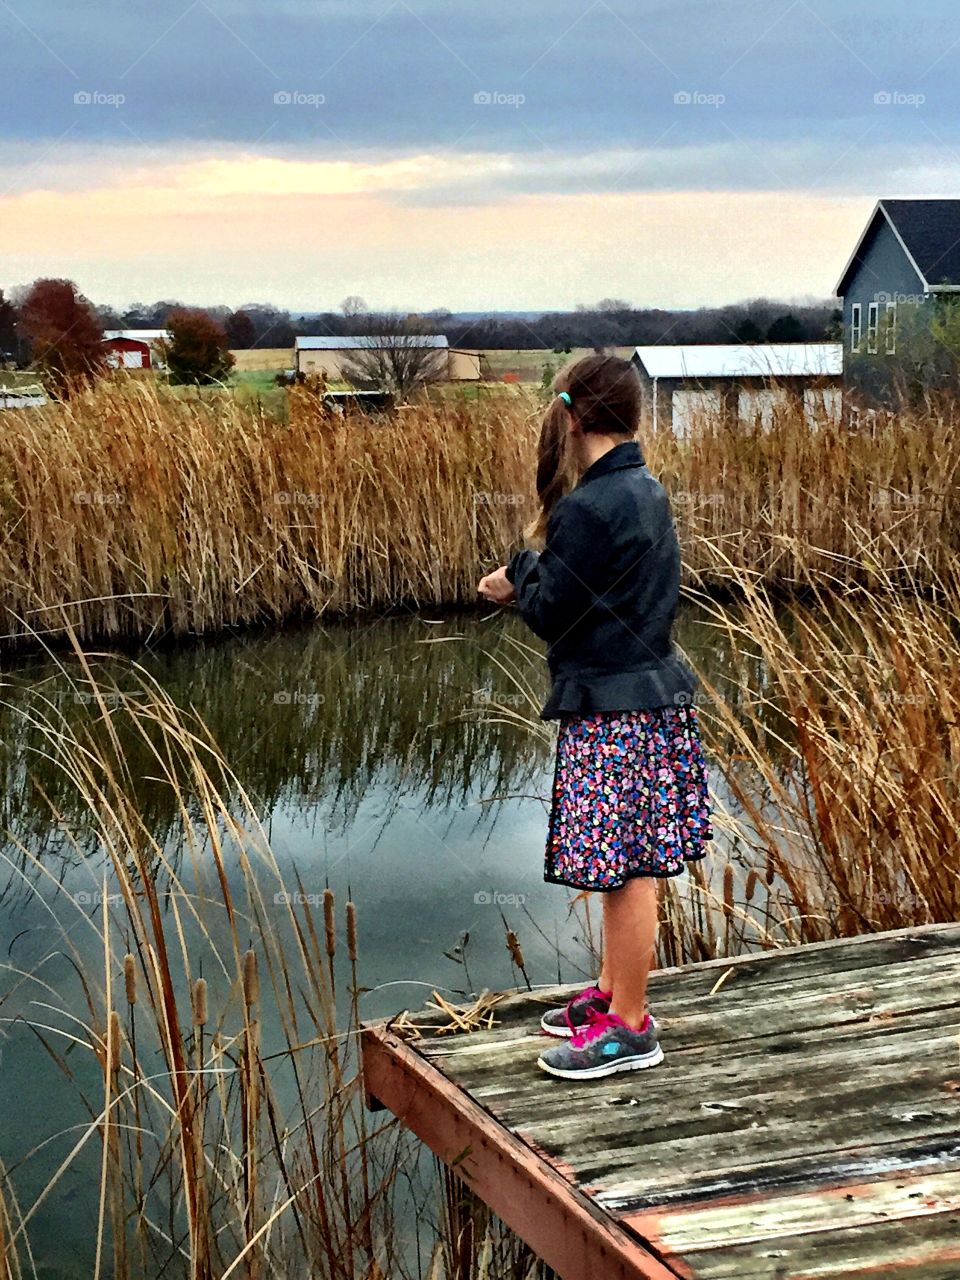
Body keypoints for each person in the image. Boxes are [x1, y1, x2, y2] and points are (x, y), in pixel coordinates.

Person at [478, 354, 712, 1081]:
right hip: (648, 700)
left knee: (625, 871)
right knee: (625, 863)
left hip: (616, 709)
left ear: (575, 417)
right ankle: (613, 996)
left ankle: (632, 1028)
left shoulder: (589, 506)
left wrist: (515, 575)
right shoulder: (647, 490)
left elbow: (554, 610)